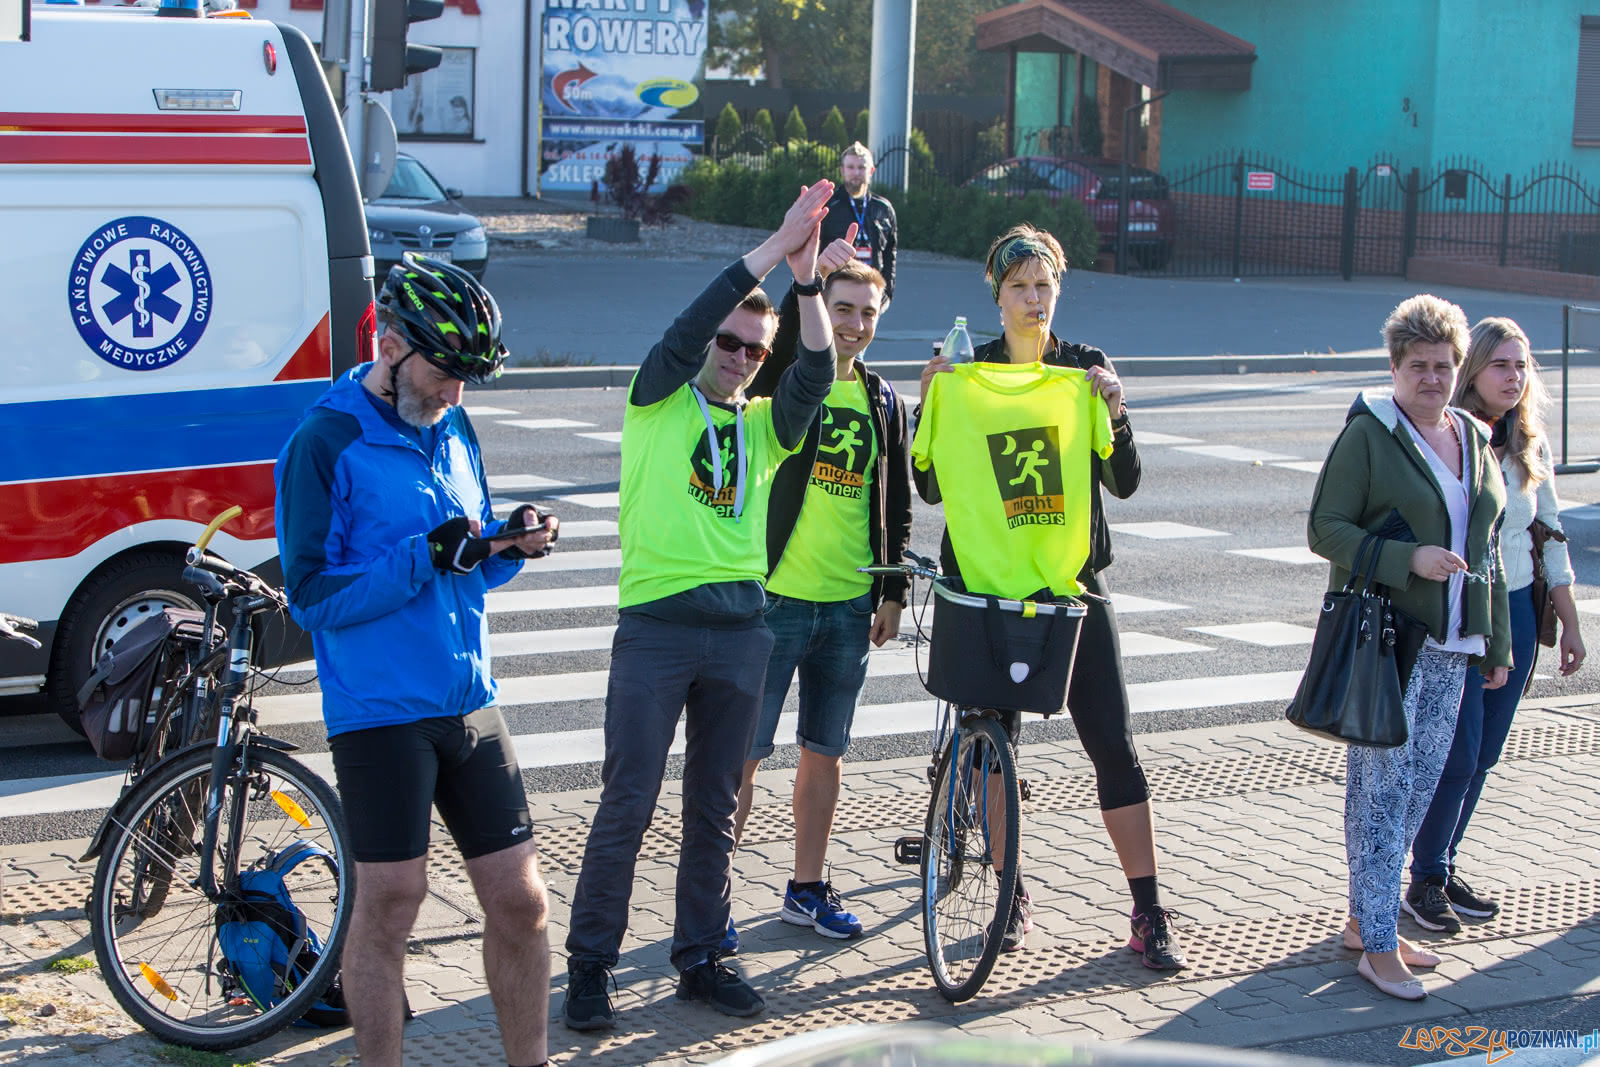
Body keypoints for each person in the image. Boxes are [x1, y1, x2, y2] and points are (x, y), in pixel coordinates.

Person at [562, 182, 839, 1030]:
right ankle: (590, 965)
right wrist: (770, 246)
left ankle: (702, 955)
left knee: (715, 806)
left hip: (739, 633)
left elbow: (818, 369)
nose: (738, 356)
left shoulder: (763, 423)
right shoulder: (659, 401)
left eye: (754, 349)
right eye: (731, 343)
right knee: (628, 800)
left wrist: (807, 283)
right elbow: (688, 328)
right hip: (656, 630)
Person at [274, 254, 559, 1067]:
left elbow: (463, 551)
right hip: (380, 709)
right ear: (391, 344)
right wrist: (421, 557)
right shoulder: (324, 440)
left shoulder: (453, 426)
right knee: (393, 900)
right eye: (446, 371)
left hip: (468, 698)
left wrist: (509, 540)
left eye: (469, 378)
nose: (456, 394)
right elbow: (313, 597)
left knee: (522, 900)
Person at [916, 223, 1185, 969]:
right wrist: (930, 400)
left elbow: (1124, 482)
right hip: (988, 588)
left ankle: (1147, 907)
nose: (1034, 299)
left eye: (1045, 286)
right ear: (996, 297)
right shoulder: (969, 368)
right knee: (991, 747)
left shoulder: (1082, 369)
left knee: (1113, 743)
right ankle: (1010, 894)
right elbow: (932, 483)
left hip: (1070, 585)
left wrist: (1118, 410)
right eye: (1020, 287)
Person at [1308, 293, 1511, 1002]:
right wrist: (1406, 559)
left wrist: (1498, 641)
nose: (1432, 378)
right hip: (1389, 644)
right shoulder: (1371, 434)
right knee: (1383, 795)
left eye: (1445, 365)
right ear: (1394, 367)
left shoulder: (1473, 436)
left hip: (1455, 644)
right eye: (1418, 365)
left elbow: (1488, 548)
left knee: (1417, 790)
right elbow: (1324, 527)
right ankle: (1380, 943)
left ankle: (1367, 922)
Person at [729, 251, 913, 945]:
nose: (854, 324)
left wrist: (891, 589)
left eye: (867, 313)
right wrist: (805, 274)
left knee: (824, 751)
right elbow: (772, 329)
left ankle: (806, 888)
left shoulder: (882, 399)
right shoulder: (785, 381)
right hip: (774, 599)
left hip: (846, 606)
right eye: (842, 308)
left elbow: (892, 503)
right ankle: (709, 894)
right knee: (741, 755)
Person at [1406, 316, 1585, 931]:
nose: (1515, 377)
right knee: (1454, 755)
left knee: (1484, 756)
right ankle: (1423, 875)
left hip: (1515, 606)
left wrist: (1570, 620)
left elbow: (1550, 532)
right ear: (1474, 370)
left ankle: (1443, 864)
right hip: (1463, 610)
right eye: (1502, 364)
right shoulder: (1452, 435)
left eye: (1522, 365)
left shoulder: (1529, 439)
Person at [820, 142, 897, 306]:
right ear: (842, 170)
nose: (856, 173)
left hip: (871, 293)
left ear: (871, 171)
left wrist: (888, 292)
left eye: (862, 168)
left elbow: (890, 253)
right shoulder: (828, 206)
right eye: (851, 167)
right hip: (835, 293)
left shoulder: (883, 209)